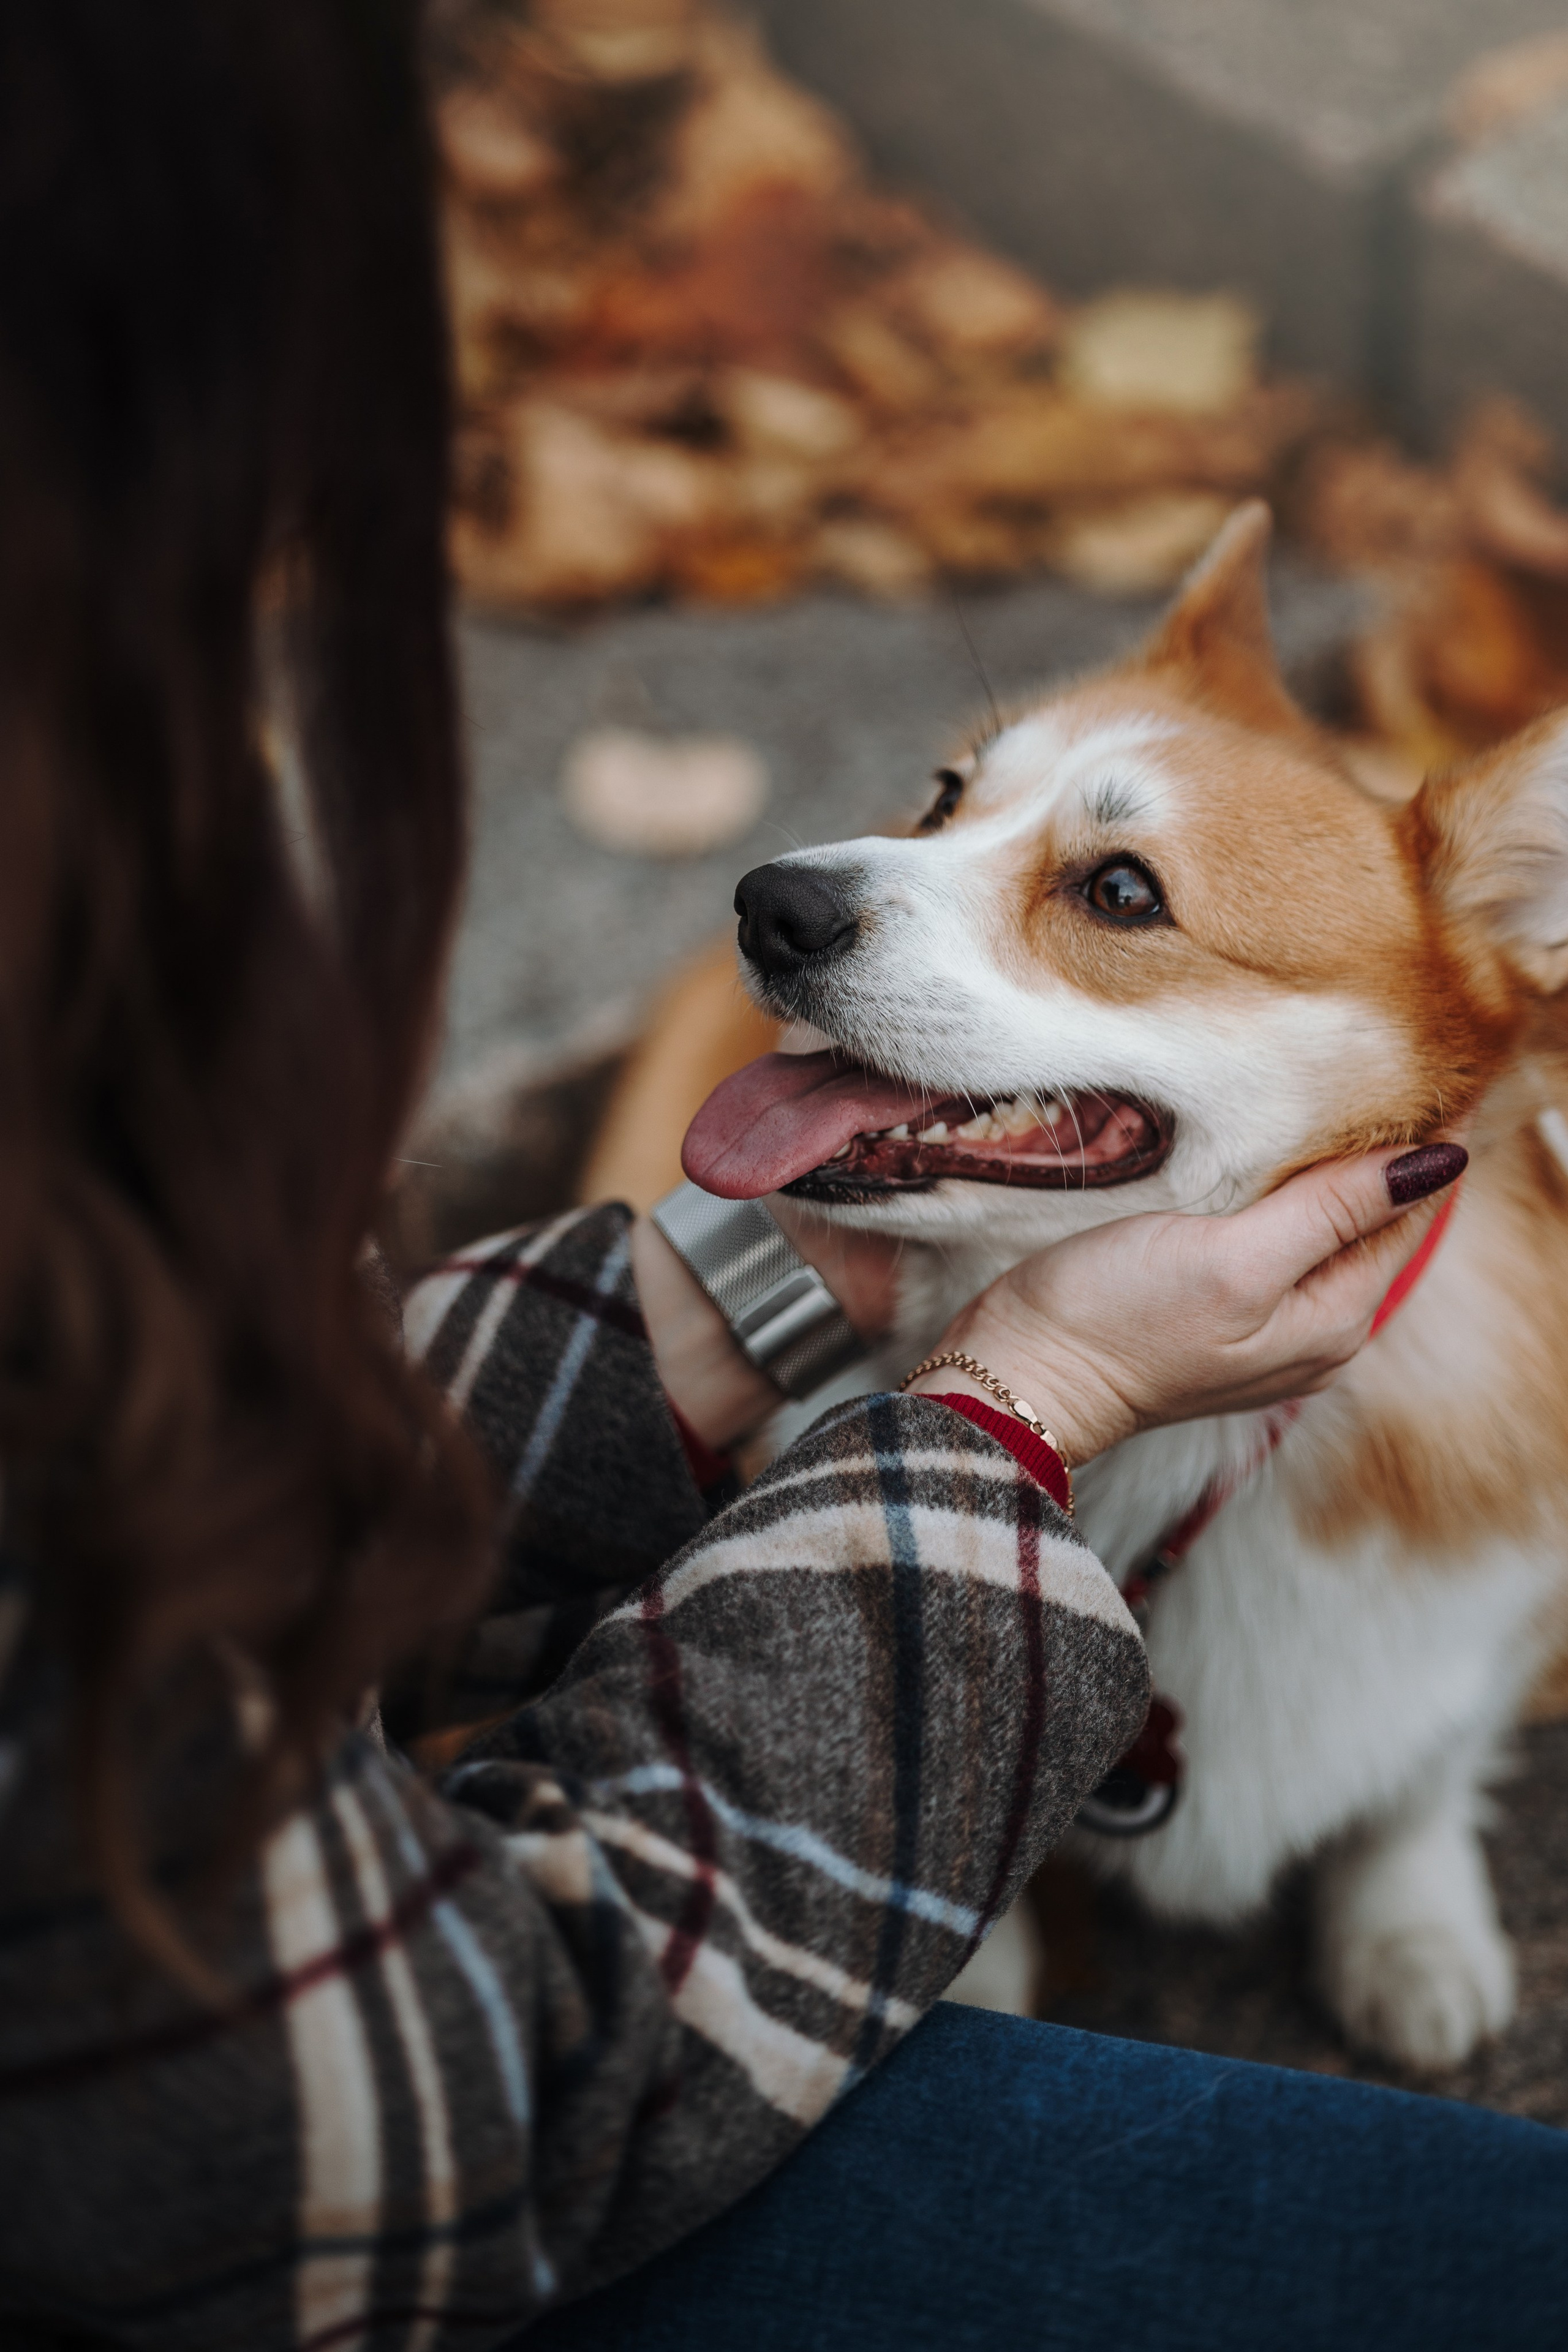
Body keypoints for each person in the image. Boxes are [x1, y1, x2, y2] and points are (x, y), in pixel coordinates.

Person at [0, 7, 1562, 2351]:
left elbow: (164, 1488)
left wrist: (731, 1303)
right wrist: (1009, 1415)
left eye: (1102, 895)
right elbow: (431, 2130)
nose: (853, 882)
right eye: (962, 805)